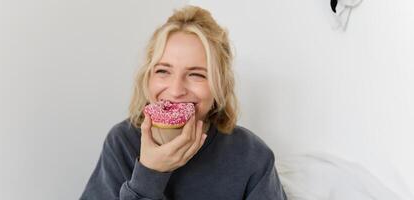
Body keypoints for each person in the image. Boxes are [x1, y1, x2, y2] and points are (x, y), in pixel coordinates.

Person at [80, 5, 287, 200]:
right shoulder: (122, 142)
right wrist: (149, 174)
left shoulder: (253, 156)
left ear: (220, 86)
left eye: (196, 74)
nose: (176, 90)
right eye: (163, 71)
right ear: (147, 78)